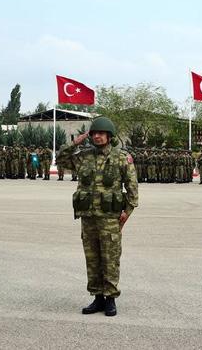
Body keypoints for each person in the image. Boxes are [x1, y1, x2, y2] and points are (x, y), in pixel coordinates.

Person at [56, 117, 138, 317]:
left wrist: (127, 212)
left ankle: (110, 299)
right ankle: (97, 297)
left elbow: (132, 188)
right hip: (88, 218)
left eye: (101, 133)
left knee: (110, 259)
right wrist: (75, 142)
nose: (97, 136)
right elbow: (60, 159)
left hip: (110, 218)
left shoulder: (121, 157)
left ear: (109, 136)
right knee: (92, 258)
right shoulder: (83, 156)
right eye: (94, 133)